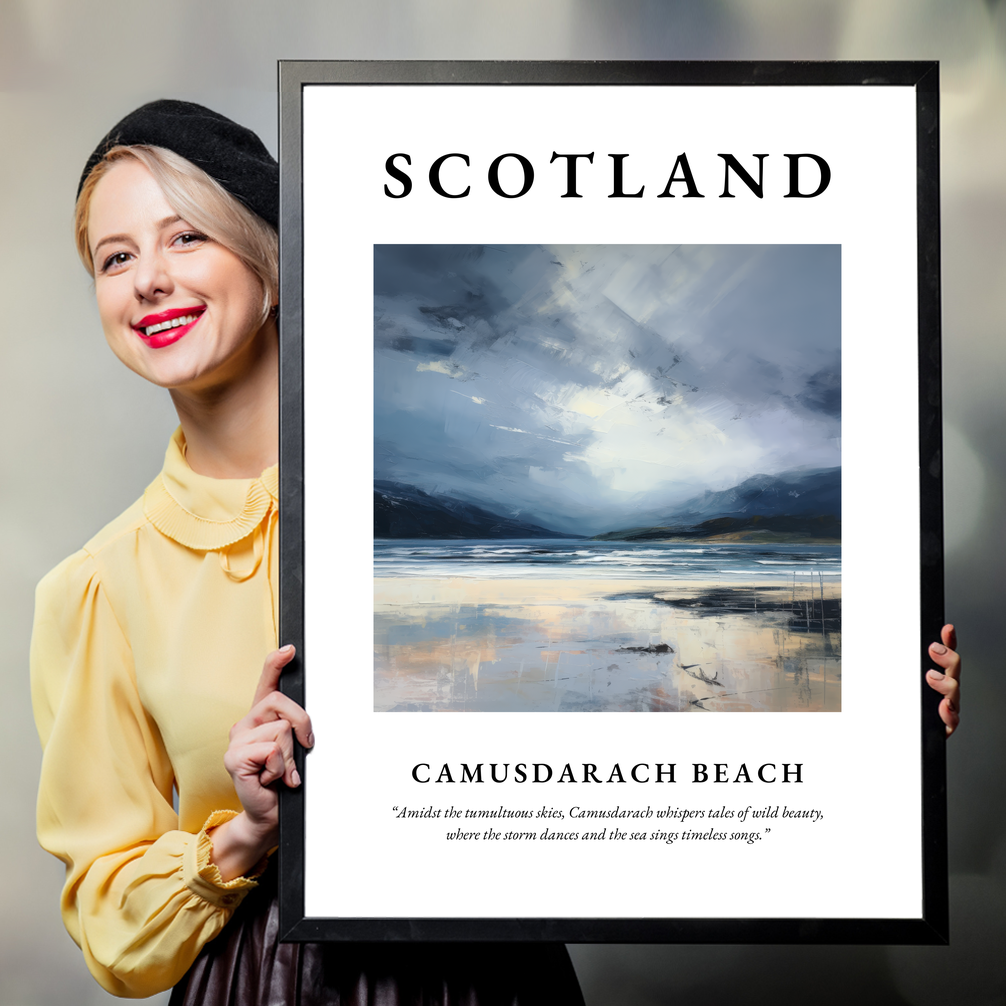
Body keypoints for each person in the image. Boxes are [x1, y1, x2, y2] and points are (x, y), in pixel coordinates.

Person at [30, 100, 585, 1004]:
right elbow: (110, 924)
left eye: (186, 239)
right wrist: (245, 832)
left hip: (492, 973)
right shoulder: (97, 587)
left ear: (274, 264)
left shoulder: (447, 509)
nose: (148, 281)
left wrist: (888, 710)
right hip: (263, 982)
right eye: (116, 257)